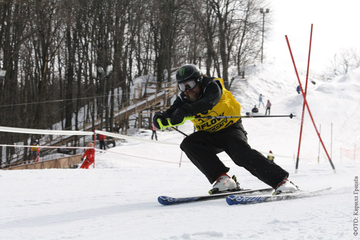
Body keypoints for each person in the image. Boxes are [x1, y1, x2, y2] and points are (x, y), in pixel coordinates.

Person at [153, 64, 298, 195]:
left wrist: (186, 110)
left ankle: (282, 181)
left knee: (240, 155)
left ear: (198, 80)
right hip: (209, 135)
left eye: (190, 84)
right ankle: (223, 179)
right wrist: (161, 117)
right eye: (182, 86)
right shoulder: (185, 98)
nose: (187, 90)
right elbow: (171, 112)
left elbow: (208, 102)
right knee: (188, 143)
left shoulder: (212, 86)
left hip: (230, 129)